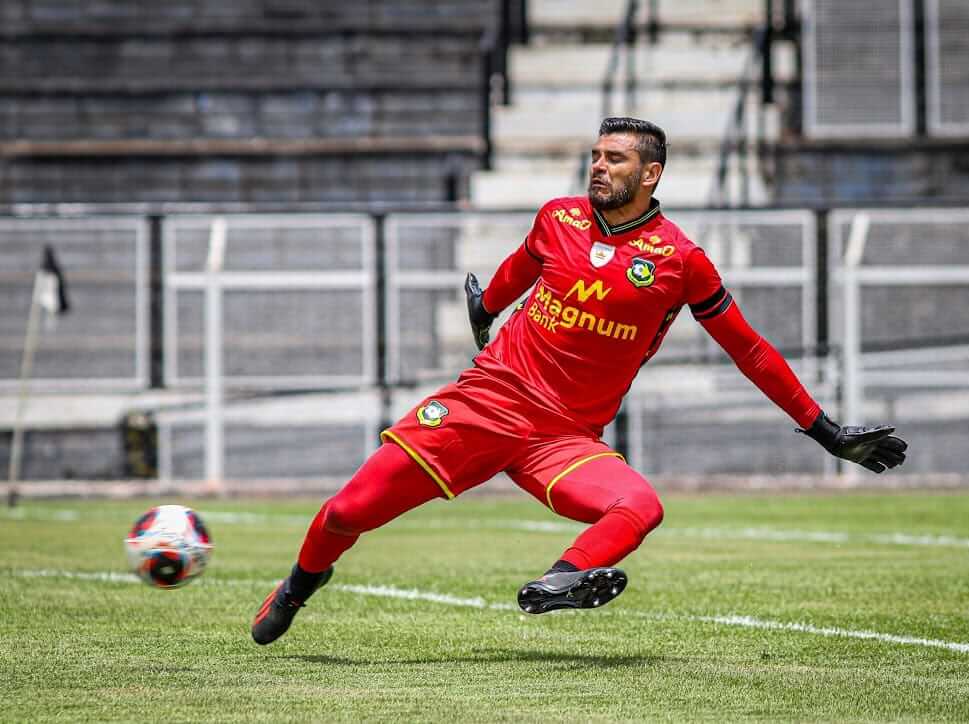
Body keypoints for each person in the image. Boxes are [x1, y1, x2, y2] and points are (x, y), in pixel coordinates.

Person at [251, 117, 907, 645]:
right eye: (595, 154)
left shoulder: (680, 261)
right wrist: (483, 310)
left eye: (615, 158)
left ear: (651, 174)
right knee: (344, 513)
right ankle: (293, 592)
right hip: (485, 405)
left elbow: (752, 350)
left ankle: (557, 582)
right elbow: (512, 277)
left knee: (641, 505)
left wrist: (825, 431)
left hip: (563, 439)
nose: (598, 165)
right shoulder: (556, 218)